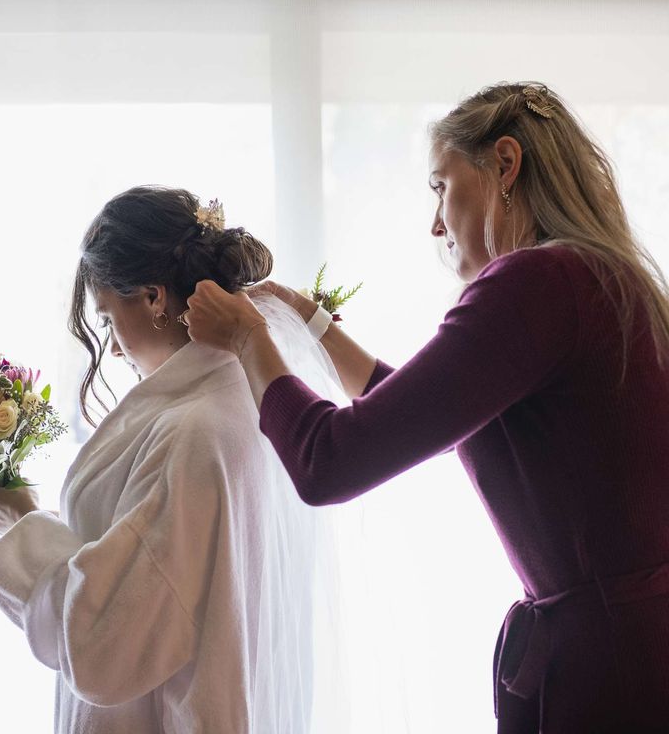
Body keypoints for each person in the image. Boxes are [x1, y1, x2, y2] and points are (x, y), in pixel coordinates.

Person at [183, 82, 669, 733]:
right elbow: (421, 412)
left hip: (606, 669)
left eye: (440, 186)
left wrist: (248, 340)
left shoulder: (532, 283)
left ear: (504, 164)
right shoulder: (607, 277)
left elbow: (330, 461)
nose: (435, 223)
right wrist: (313, 321)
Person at [0, 186, 342, 734]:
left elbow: (106, 643)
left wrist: (23, 522)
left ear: (153, 298)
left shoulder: (192, 432)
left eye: (106, 319)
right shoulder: (245, 398)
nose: (115, 348)